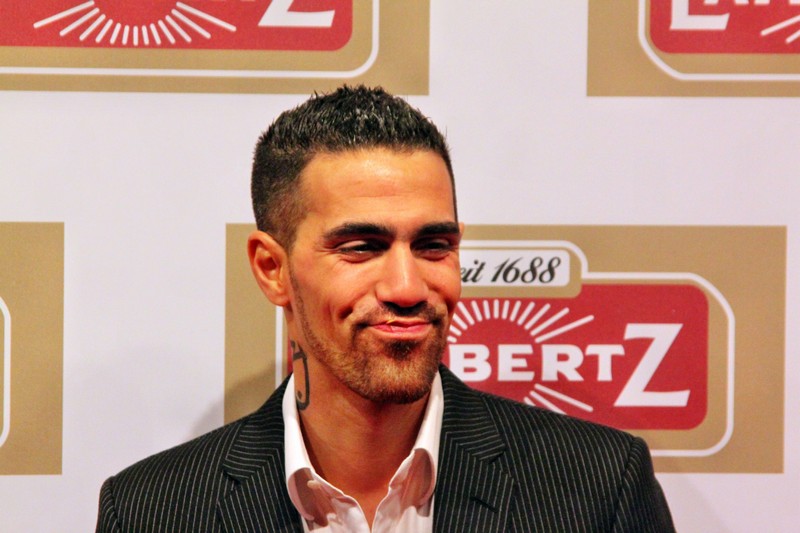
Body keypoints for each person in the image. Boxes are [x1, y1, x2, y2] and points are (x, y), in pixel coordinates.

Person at [96, 85, 675, 532]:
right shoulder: (154, 511)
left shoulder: (598, 488)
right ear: (272, 269)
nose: (407, 286)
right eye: (361, 247)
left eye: (433, 245)